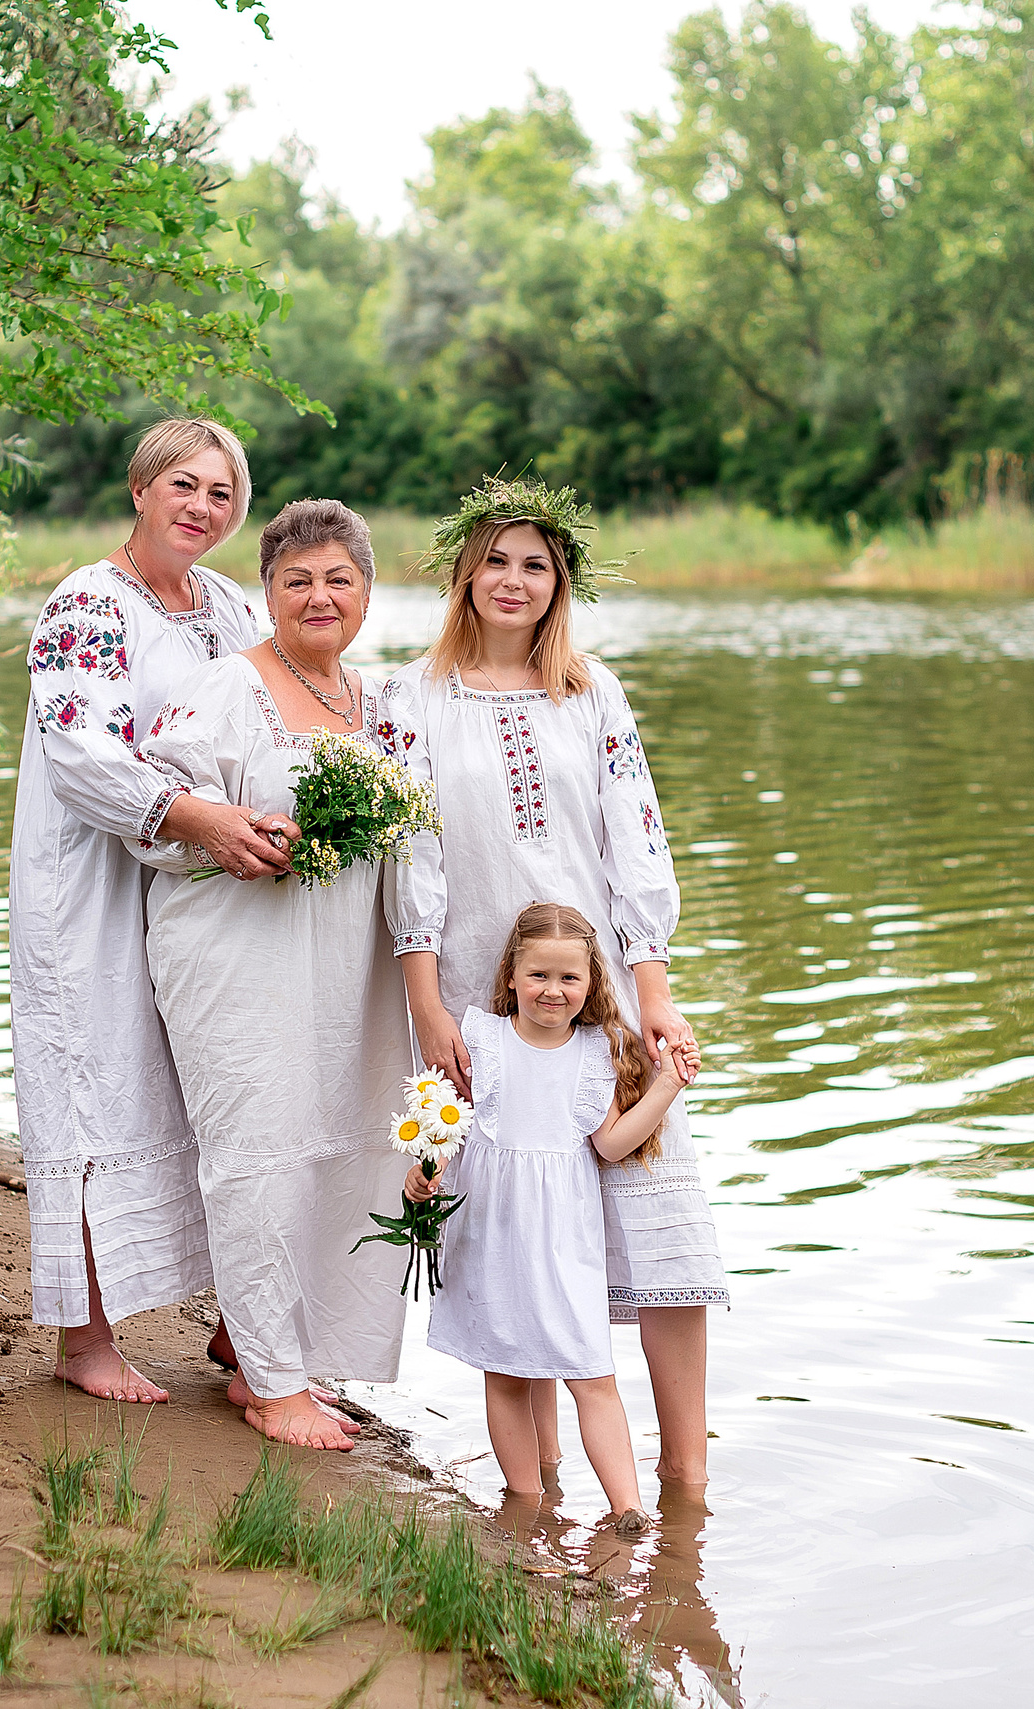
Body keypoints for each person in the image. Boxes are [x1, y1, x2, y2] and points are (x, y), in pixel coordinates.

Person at [382, 476, 728, 1485]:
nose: (513, 579)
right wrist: (425, 1001)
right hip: (478, 1007)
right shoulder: (414, 696)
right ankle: (530, 1501)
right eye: (495, 558)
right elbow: (410, 851)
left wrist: (652, 988)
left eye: (535, 562)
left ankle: (686, 1485)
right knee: (517, 1234)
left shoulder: (592, 691)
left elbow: (636, 837)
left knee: (662, 1232)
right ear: (463, 570)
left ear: (559, 580)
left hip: (602, 995)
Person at [7, 418, 303, 1404]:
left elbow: (269, 712)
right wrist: (198, 818)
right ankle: (84, 1341)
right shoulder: (86, 603)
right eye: (184, 484)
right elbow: (80, 751)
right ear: (139, 488)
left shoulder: (225, 605)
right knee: (94, 1083)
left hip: (198, 880)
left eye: (222, 493)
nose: (202, 507)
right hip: (92, 880)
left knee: (209, 1082)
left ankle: (234, 1326)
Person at [136, 499, 414, 1450]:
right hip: (235, 955)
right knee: (258, 1147)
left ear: (368, 593)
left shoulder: (379, 704)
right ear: (268, 595)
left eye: (339, 578)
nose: (319, 595)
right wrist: (232, 831)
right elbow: (162, 805)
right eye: (296, 580)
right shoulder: (227, 689)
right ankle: (269, 1380)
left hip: (341, 967)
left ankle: (270, 1346)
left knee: (336, 1144)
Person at [410, 902, 700, 1523]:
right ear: (512, 976)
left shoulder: (596, 1053)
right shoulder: (482, 1039)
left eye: (569, 978)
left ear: (591, 983)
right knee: (507, 1374)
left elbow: (612, 1145)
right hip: (489, 1233)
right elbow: (447, 1129)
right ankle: (526, 1501)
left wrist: (667, 1086)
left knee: (592, 1371)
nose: (553, 990)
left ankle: (628, 1508)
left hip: (564, 1241)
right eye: (539, 975)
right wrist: (424, 1175)